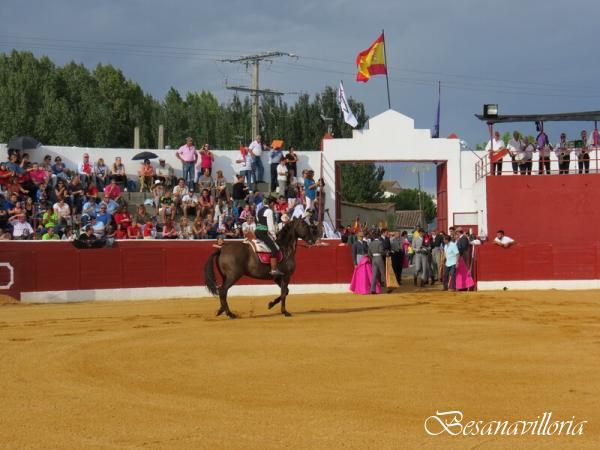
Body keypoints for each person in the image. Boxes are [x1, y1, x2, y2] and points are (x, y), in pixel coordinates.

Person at [255, 197, 283, 277]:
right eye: (274, 205)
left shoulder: (259, 210)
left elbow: (257, 221)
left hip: (257, 232)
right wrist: (274, 236)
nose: (274, 206)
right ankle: (273, 269)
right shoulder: (269, 211)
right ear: (272, 203)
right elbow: (270, 226)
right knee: (274, 249)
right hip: (263, 233)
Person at [368, 229, 386, 294]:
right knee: (383, 273)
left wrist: (372, 258)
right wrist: (386, 253)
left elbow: (369, 253)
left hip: (374, 259)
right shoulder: (380, 243)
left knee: (374, 275)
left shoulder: (371, 243)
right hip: (379, 258)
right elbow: (381, 251)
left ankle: (372, 289)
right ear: (379, 236)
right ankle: (387, 288)